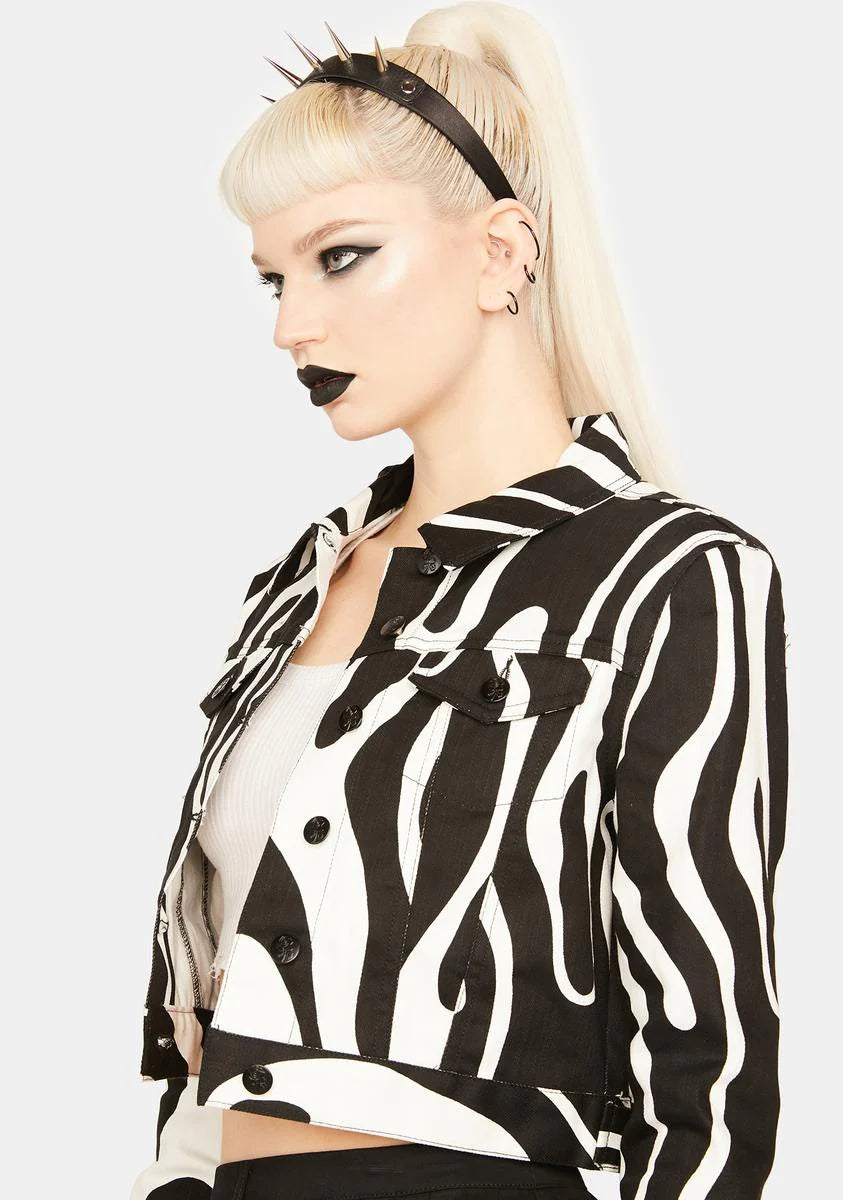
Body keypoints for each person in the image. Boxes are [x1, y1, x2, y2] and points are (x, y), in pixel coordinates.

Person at [129, 5, 789, 1198]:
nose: (290, 326)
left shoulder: (667, 573)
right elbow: (214, 1004)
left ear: (500, 252)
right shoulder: (294, 586)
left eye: (341, 257)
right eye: (273, 278)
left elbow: (711, 1056)